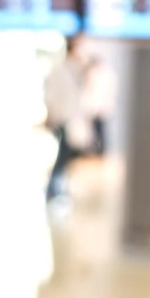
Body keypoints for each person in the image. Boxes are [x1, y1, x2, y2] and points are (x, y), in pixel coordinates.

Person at [44, 36, 90, 201]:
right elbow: (51, 95)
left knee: (68, 155)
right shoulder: (59, 70)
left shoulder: (78, 69)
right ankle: (53, 188)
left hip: (72, 119)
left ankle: (60, 185)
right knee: (63, 155)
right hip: (62, 118)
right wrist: (51, 114)